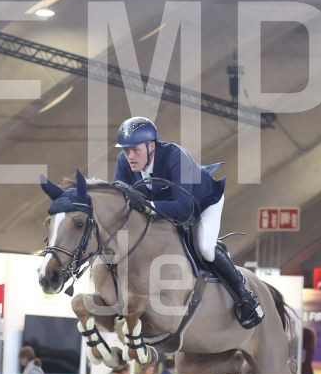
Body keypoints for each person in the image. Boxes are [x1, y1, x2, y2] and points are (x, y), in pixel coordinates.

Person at [112, 116, 263, 329]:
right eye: (126, 150)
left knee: (205, 248)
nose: (130, 156)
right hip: (163, 209)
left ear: (151, 146)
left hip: (202, 203)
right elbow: (121, 201)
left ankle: (245, 297)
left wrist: (147, 205)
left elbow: (185, 208)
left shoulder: (175, 156)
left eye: (135, 150)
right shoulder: (124, 162)